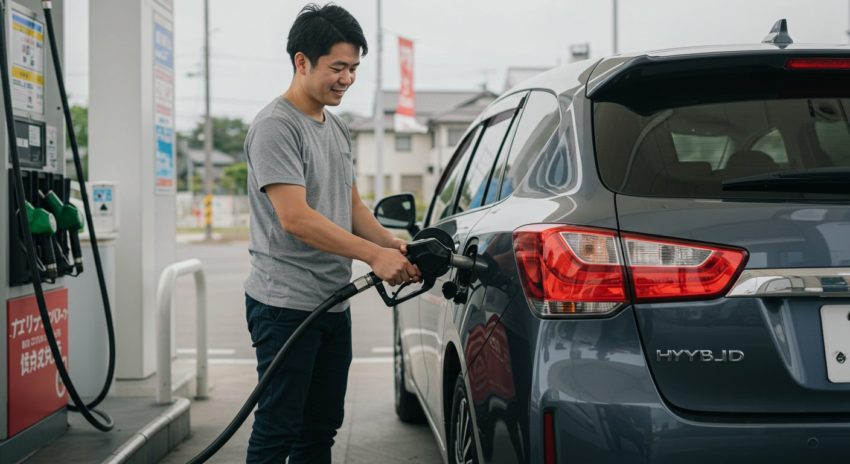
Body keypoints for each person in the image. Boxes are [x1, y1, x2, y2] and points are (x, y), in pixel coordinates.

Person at [242, 4, 421, 463]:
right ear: (302, 62)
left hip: (330, 302)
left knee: (320, 429)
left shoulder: (336, 126)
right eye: (337, 67)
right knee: (279, 428)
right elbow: (295, 218)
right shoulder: (276, 127)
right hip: (284, 307)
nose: (347, 79)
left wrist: (389, 244)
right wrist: (371, 257)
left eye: (354, 68)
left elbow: (353, 205)